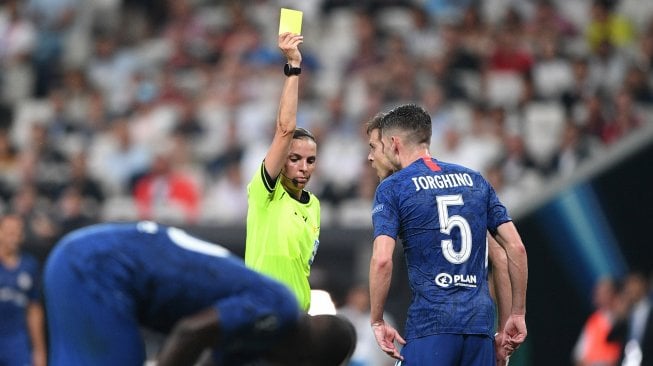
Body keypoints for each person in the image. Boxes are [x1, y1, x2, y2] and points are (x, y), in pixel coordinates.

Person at [43, 221, 356, 366]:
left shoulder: (262, 333)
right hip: (96, 267)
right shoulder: (280, 309)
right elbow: (190, 332)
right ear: (304, 360)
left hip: (87, 259)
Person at [367, 104, 528, 365]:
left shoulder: (393, 188)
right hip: (479, 326)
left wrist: (375, 320)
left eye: (377, 146)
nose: (372, 156)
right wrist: (514, 317)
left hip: (431, 324)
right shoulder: (474, 181)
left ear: (394, 143)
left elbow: (382, 260)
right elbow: (510, 251)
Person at [245, 32, 320, 311]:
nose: (303, 167)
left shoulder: (314, 206)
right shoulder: (265, 193)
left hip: (298, 318)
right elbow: (285, 129)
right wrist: (293, 68)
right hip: (262, 311)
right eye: (295, 158)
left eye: (310, 160)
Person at [0, 213, 47, 366]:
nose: (14, 237)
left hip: (16, 339)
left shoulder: (29, 265)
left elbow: (34, 309)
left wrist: (39, 350)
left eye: (18, 232)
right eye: (10, 232)